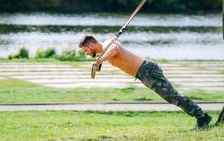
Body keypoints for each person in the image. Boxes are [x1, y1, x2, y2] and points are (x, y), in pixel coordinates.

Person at [79, 35, 212, 128]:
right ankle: (201, 116)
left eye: (86, 50)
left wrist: (99, 61)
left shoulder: (108, 44)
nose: (87, 53)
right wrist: (97, 64)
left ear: (91, 44)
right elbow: (97, 68)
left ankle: (202, 117)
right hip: (144, 73)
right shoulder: (104, 52)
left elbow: (115, 49)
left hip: (147, 70)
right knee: (171, 98)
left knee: (173, 97)